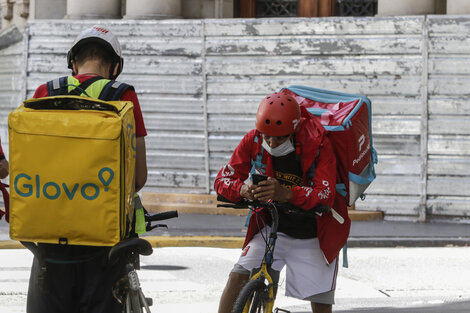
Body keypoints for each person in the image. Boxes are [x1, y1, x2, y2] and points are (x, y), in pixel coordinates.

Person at [26, 25, 148, 313]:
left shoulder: (46, 92)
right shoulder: (123, 96)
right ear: (115, 66)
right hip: (105, 242)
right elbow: (138, 178)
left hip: (49, 237)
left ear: (73, 63)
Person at [214, 92, 351, 313]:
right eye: (267, 136)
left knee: (321, 304)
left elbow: (325, 194)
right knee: (237, 276)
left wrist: (287, 194)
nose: (271, 142)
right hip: (272, 228)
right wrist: (242, 189)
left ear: (295, 130)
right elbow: (222, 180)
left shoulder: (318, 142)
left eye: (280, 138)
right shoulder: (254, 139)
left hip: (314, 234)